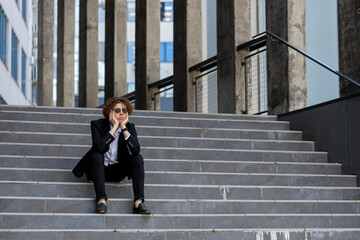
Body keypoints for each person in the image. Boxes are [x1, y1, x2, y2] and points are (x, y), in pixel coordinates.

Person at [72, 96, 151, 214]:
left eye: (124, 111)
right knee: (97, 155)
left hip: (116, 173)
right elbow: (100, 147)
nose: (122, 113)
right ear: (110, 112)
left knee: (137, 158)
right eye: (118, 110)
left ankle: (138, 202)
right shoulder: (97, 124)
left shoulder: (130, 127)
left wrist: (123, 128)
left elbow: (136, 150)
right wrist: (114, 128)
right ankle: (101, 201)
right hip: (96, 171)